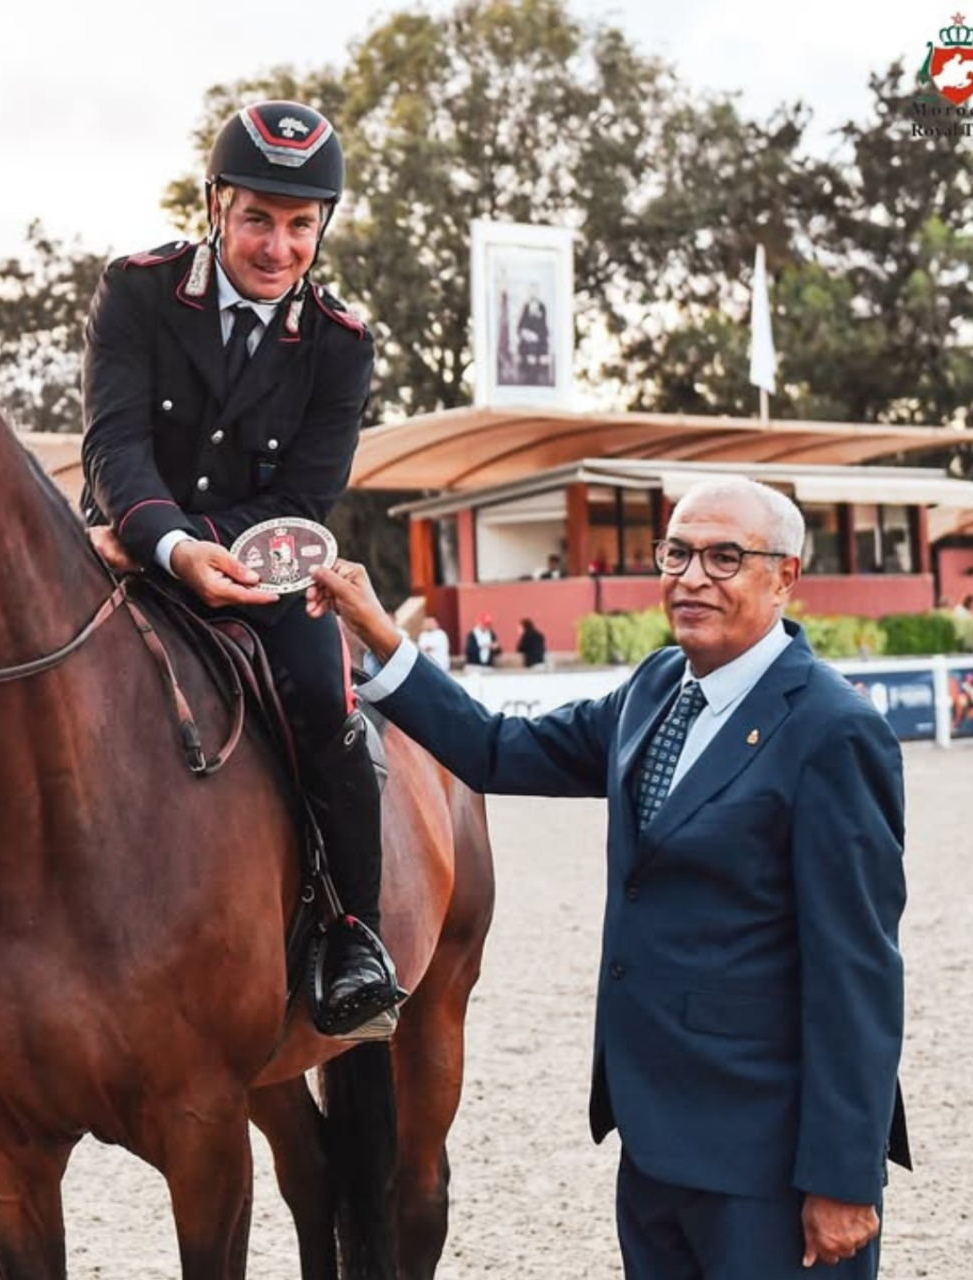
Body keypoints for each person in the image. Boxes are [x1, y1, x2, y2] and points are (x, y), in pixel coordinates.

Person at [309, 476, 910, 1278]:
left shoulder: (835, 733)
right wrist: (381, 638)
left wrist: (843, 1177)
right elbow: (495, 748)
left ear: (785, 576)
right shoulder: (656, 689)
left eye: (725, 557)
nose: (692, 577)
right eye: (678, 553)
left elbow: (858, 974)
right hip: (653, 1146)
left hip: (768, 1167)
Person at [78, 98, 403, 1040]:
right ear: (215, 204)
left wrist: (207, 550)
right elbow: (115, 448)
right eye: (258, 217)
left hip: (265, 568)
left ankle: (353, 933)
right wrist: (171, 547)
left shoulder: (342, 344)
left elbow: (306, 495)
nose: (277, 247)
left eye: (301, 225)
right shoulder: (135, 292)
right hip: (127, 549)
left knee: (324, 695)